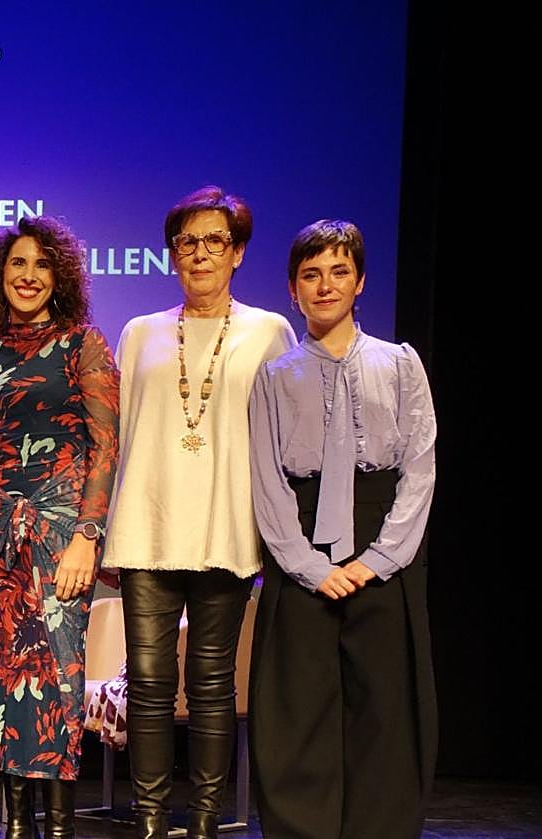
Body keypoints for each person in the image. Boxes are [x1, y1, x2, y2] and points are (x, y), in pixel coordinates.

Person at [102, 186, 295, 839]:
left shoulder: (269, 331)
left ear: (237, 252)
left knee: (212, 682)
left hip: (227, 528)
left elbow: (286, 437)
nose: (200, 253)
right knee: (151, 684)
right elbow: (121, 436)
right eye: (188, 242)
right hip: (147, 529)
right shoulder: (140, 333)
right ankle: (153, 819)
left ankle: (207, 819)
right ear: (172, 255)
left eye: (215, 240)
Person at [248, 220, 437, 839]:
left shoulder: (401, 364)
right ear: (292, 289)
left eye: (338, 272)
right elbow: (267, 481)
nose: (324, 286)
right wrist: (305, 565)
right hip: (302, 542)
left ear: (360, 282)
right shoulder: (275, 378)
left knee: (384, 705)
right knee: (299, 705)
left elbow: (419, 468)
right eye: (310, 275)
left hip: (381, 540)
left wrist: (380, 558)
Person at [0, 215, 120, 839]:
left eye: (41, 265)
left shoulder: (83, 344)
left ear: (60, 277)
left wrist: (88, 535)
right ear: (0, 278)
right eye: (17, 265)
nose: (28, 276)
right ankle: (15, 824)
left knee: (57, 675)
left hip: (60, 536)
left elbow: (106, 448)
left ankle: (59, 825)